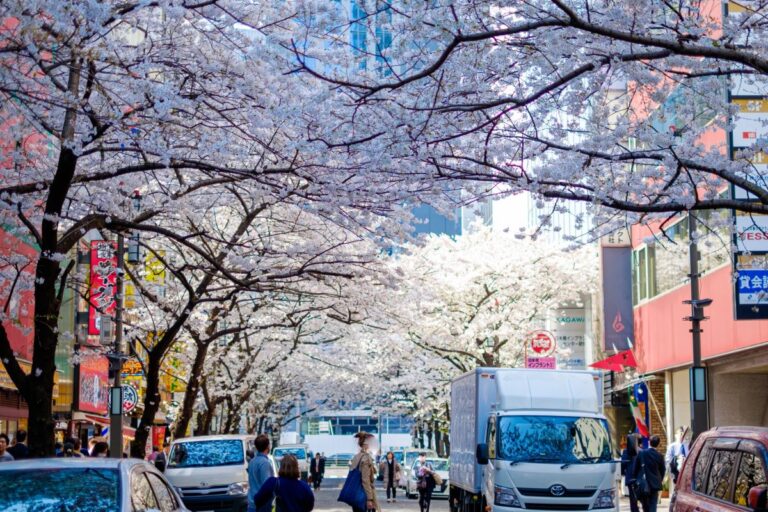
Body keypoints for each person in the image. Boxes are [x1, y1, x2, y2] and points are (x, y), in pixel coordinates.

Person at [633, 435, 666, 512]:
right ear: (658, 444)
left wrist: (635, 479)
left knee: (645, 505)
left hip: (643, 483)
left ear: (649, 442)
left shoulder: (642, 453)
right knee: (653, 504)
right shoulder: (659, 456)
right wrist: (660, 479)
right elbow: (662, 470)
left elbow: (635, 468)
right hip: (655, 484)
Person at [349, 431, 380, 512]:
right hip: (364, 494)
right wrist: (369, 498)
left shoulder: (356, 456)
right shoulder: (366, 458)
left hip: (355, 493)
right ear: (367, 445)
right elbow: (365, 479)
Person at [248, 434, 275, 512]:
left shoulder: (252, 461)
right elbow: (266, 486)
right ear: (268, 446)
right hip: (261, 505)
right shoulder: (264, 463)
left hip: (252, 503)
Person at [621, 434, 641, 512]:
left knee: (632, 498)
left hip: (630, 477)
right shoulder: (642, 451)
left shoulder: (626, 451)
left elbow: (623, 463)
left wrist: (622, 472)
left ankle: (635, 510)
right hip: (639, 477)